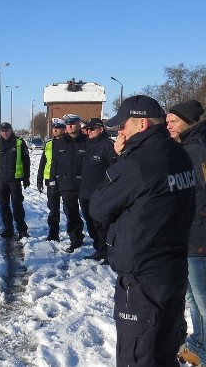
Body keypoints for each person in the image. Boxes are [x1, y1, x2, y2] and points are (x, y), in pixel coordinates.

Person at [90, 95, 195, 366]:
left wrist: (118, 159)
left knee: (137, 357)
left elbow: (99, 206)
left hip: (143, 280)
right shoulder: (179, 154)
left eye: (123, 125)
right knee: (164, 352)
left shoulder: (138, 163)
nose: (119, 131)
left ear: (142, 124)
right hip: (172, 271)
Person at [166, 100, 206, 366]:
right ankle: (198, 345)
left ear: (188, 123)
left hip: (198, 236)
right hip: (186, 234)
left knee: (203, 302)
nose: (168, 126)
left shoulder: (197, 150)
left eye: (173, 122)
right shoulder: (185, 148)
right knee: (192, 298)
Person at [79, 118, 117, 263]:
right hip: (85, 191)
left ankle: (109, 253)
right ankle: (99, 250)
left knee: (103, 225)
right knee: (91, 223)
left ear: (100, 129)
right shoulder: (88, 144)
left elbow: (115, 168)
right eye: (87, 129)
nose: (88, 132)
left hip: (101, 194)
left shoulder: (108, 145)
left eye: (91, 129)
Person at [51, 113, 88, 253]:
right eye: (68, 124)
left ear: (79, 124)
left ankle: (100, 242)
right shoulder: (59, 142)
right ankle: (75, 239)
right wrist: (53, 181)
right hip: (66, 185)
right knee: (71, 214)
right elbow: (55, 163)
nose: (70, 126)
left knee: (90, 214)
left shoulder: (86, 141)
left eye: (73, 123)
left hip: (84, 185)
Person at [0, 122, 30, 239]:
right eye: (3, 131)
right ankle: (8, 229)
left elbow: (26, 161)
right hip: (2, 180)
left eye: (7, 130)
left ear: (11, 130)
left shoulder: (19, 143)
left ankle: (22, 230)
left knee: (17, 205)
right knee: (4, 205)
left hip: (14, 180)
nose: (5, 133)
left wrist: (26, 178)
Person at [37, 118, 66, 241]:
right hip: (50, 180)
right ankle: (53, 233)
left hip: (65, 180)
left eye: (58, 127)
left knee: (69, 210)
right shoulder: (48, 144)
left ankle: (75, 235)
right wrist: (39, 180)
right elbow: (42, 163)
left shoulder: (69, 143)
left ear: (64, 129)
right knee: (53, 209)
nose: (55, 130)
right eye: (54, 127)